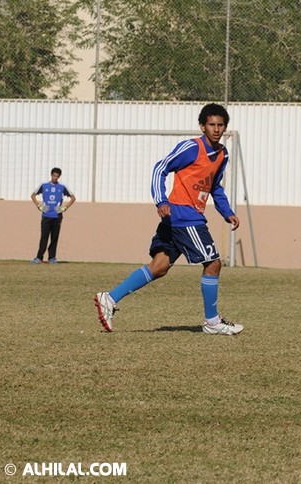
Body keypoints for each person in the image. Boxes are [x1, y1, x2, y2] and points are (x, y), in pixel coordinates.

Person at [94, 103, 243, 335]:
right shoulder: (191, 148)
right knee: (213, 263)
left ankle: (109, 298)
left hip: (183, 217)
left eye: (220, 125)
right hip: (184, 215)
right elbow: (160, 168)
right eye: (211, 124)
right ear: (202, 126)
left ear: (225, 127)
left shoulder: (222, 154)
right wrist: (160, 200)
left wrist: (227, 212)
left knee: (159, 266)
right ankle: (212, 322)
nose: (216, 129)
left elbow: (215, 188)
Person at [31, 167, 76, 264]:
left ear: (59, 177)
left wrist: (65, 208)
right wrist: (39, 206)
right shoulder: (44, 185)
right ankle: (39, 258)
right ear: (51, 175)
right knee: (44, 237)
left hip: (57, 216)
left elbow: (73, 198)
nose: (55, 178)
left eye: (57, 176)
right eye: (54, 175)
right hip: (46, 215)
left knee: (54, 237)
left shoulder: (62, 187)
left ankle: (52, 257)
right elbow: (33, 195)